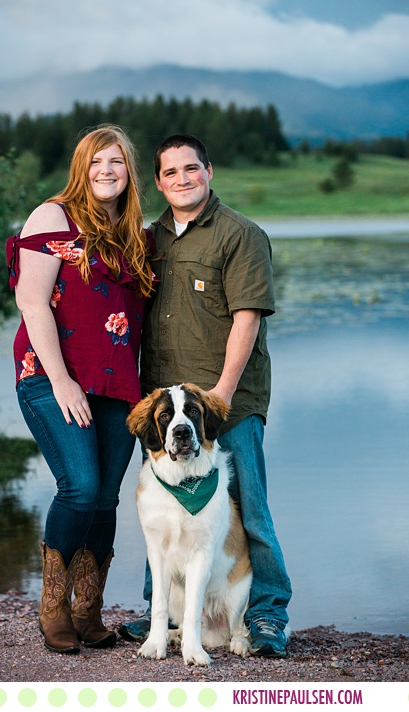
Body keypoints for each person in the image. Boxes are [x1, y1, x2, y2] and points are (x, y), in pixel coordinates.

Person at [117, 134, 292, 658]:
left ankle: (265, 617)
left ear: (208, 172)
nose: (182, 179)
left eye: (191, 169)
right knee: (166, 511)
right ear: (159, 182)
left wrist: (221, 394)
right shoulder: (151, 240)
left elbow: (247, 318)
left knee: (249, 511)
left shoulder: (241, 235)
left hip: (225, 403)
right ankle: (163, 617)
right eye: (170, 173)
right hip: (166, 411)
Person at [6, 125, 155, 654]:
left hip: (118, 385)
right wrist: (63, 380)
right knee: (82, 487)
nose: (106, 172)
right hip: (51, 376)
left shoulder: (134, 231)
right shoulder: (54, 216)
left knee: (107, 497)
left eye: (115, 162)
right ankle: (53, 609)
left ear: (128, 170)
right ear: (81, 168)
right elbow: (31, 301)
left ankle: (87, 609)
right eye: (96, 163)